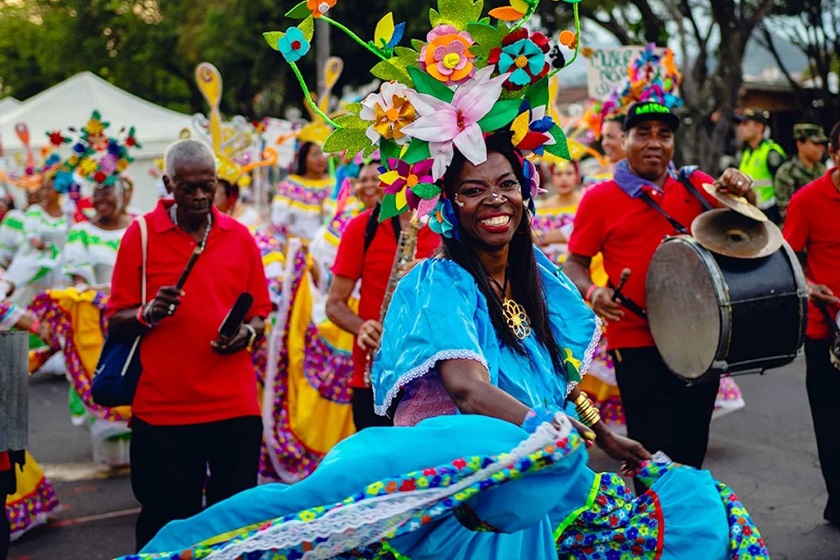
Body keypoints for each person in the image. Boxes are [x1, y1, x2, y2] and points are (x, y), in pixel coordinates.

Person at [127, 132, 766, 560]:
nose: (494, 200)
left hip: (546, 484)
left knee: (711, 518)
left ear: (527, 191)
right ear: (446, 205)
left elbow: (556, 380)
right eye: (471, 189)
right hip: (474, 502)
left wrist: (603, 434)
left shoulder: (530, 280)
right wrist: (545, 429)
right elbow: (464, 385)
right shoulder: (438, 283)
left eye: (506, 184)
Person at [566, 101, 757, 475]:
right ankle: (657, 526)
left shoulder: (698, 185)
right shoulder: (598, 198)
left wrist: (745, 194)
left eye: (664, 134)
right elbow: (575, 263)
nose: (654, 142)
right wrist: (593, 292)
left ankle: (686, 528)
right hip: (635, 340)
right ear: (624, 140)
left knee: (691, 448)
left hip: (699, 338)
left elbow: (749, 229)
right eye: (643, 133)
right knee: (649, 452)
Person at [105, 139, 271, 550]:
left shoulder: (239, 236)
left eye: (207, 185)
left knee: (234, 521)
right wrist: (149, 312)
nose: (198, 196)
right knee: (166, 521)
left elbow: (260, 314)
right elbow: (115, 320)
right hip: (164, 411)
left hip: (233, 407)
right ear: (168, 184)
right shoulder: (139, 236)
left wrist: (245, 334)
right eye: (186, 187)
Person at [326, 161, 440, 430]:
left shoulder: (444, 225)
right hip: (374, 376)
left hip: (434, 375)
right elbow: (334, 304)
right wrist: (363, 327)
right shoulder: (360, 228)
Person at [783, 120, 840, 529]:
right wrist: (810, 285)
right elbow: (787, 261)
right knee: (832, 422)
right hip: (827, 333)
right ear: (834, 152)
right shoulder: (807, 199)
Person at [270, 142, 333, 244]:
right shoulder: (291, 185)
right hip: (298, 249)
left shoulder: (335, 184)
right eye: (314, 154)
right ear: (303, 158)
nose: (320, 159)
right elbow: (279, 223)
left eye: (323, 153)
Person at [735, 107, 785, 223]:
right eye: (740, 124)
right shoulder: (747, 153)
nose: (741, 128)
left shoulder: (771, 152)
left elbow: (784, 187)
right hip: (750, 212)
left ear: (759, 127)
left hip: (770, 215)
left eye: (746, 124)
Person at [774, 123, 828, 221]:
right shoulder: (787, 173)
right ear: (800, 144)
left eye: (822, 144)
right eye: (815, 143)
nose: (821, 148)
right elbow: (786, 210)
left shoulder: (823, 170)